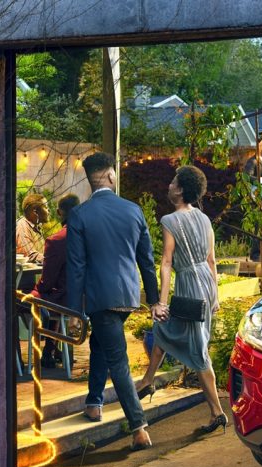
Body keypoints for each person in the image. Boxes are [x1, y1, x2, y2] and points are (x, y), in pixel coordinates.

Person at [66, 152, 161, 451]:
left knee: (117, 359)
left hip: (100, 298)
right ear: (109, 175)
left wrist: (73, 311)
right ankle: (94, 402)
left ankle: (138, 426)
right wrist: (155, 300)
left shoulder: (79, 215)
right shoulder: (133, 210)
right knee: (102, 345)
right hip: (128, 296)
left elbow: (76, 267)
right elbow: (147, 261)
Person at [135, 165, 228, 436]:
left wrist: (162, 302)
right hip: (206, 285)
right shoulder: (204, 219)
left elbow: (166, 262)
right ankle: (148, 380)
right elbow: (212, 260)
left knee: (199, 352)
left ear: (181, 189)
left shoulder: (169, 221)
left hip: (189, 285)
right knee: (164, 330)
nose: (169, 184)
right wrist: (216, 296)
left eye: (174, 181)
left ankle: (217, 412)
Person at [30, 193, 79, 368]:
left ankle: (19, 362)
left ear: (59, 212)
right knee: (52, 297)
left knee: (22, 300)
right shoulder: (90, 235)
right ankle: (51, 349)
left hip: (65, 299)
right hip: (88, 298)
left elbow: (47, 281)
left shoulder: (57, 240)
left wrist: (36, 289)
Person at [15, 193, 50, 263]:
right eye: (46, 207)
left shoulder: (36, 227)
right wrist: (53, 260)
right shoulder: (22, 226)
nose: (48, 210)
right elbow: (31, 255)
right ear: (36, 212)